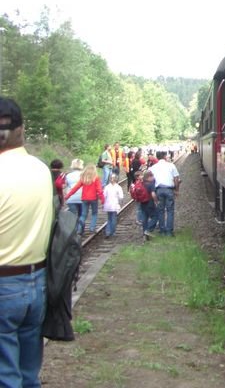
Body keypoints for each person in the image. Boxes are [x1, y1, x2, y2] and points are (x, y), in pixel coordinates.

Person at [0, 96, 54, 388]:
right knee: (28, 375)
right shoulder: (40, 170)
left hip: (3, 285)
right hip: (36, 284)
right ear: (21, 129)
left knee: (5, 378)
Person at [64, 165, 105, 236]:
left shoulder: (83, 179)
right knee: (94, 213)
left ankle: (80, 228)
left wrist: (68, 196)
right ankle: (92, 228)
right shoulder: (96, 178)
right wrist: (102, 199)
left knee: (83, 214)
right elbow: (99, 190)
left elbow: (75, 188)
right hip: (93, 199)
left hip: (84, 199)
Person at [150, 151, 181, 236]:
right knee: (170, 210)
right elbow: (176, 178)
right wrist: (177, 190)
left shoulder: (153, 167)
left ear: (157, 157)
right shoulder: (171, 165)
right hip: (169, 190)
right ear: (164, 156)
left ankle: (162, 230)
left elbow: (150, 180)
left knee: (160, 210)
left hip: (158, 190)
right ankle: (169, 231)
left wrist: (152, 191)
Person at [63, 159, 84, 233]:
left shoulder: (68, 175)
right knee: (82, 214)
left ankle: (74, 231)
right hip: (83, 197)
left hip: (71, 198)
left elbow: (66, 185)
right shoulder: (84, 175)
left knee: (73, 215)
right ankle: (80, 230)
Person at [103, 173, 125, 238]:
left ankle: (108, 231)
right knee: (113, 218)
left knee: (109, 218)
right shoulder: (118, 187)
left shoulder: (107, 187)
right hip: (114, 204)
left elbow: (104, 195)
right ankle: (112, 232)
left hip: (108, 204)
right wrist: (120, 201)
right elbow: (121, 197)